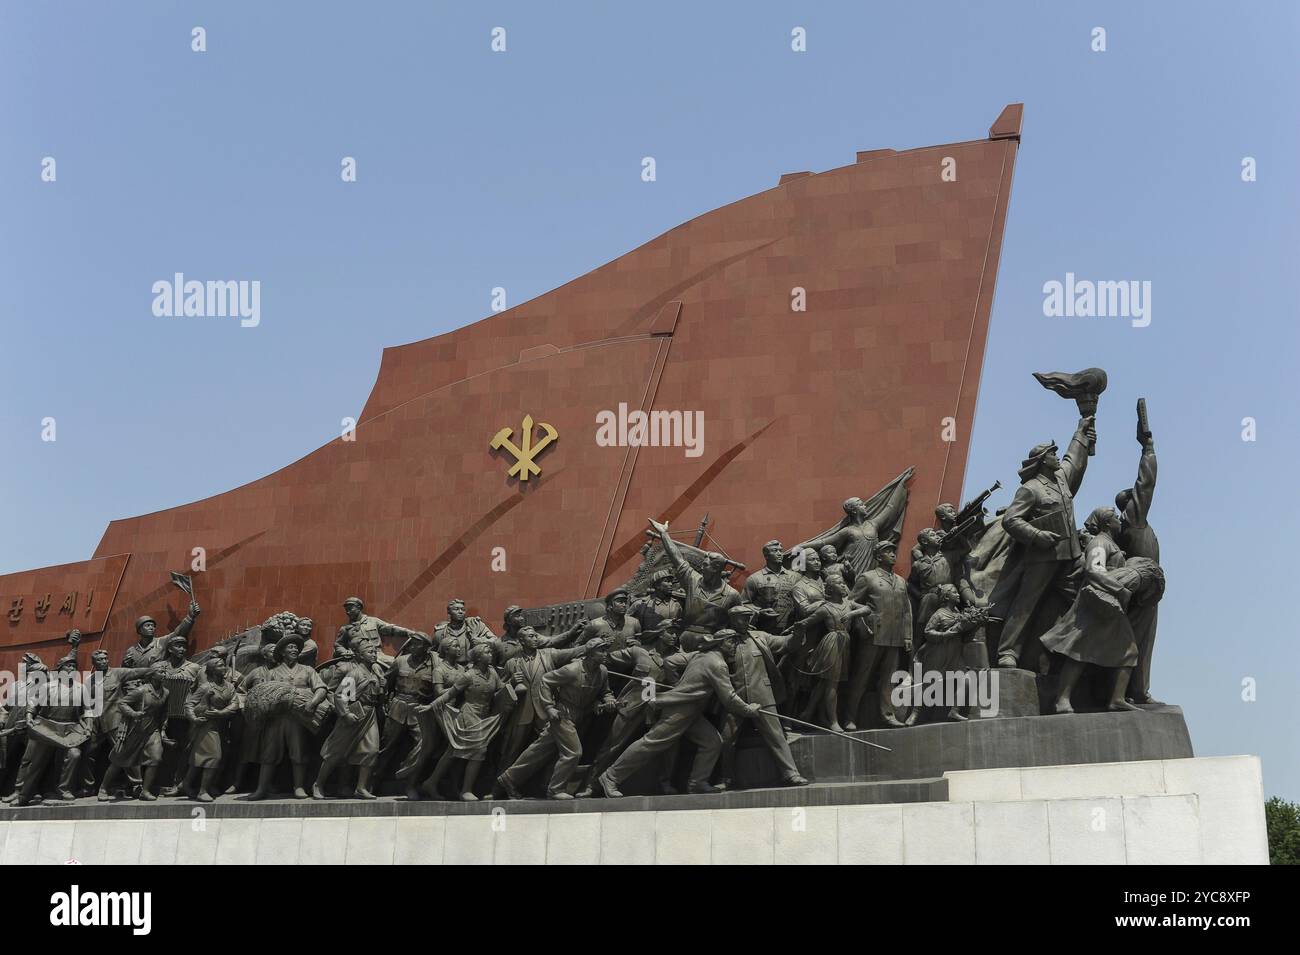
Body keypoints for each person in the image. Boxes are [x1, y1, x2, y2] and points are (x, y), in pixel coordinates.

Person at [597, 630, 761, 798]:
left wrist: (678, 686)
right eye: (731, 641)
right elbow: (729, 698)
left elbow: (670, 662)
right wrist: (749, 710)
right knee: (650, 744)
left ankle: (697, 783)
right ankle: (611, 777)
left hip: (692, 712)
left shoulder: (699, 655)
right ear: (720, 643)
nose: (735, 645)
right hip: (679, 711)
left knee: (712, 742)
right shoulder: (718, 664)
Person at [990, 416, 1096, 668]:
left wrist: (1080, 432)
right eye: (1052, 454)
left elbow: (1073, 459)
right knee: (1026, 604)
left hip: (1069, 555)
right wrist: (1037, 536)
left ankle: (1077, 651)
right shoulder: (1030, 489)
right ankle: (1007, 652)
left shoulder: (1060, 480)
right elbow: (1011, 520)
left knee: (1080, 599)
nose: (1057, 457)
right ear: (1042, 460)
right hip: (1042, 556)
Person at [1041, 557, 1165, 714]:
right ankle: (1111, 700)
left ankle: (1069, 699)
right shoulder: (1136, 576)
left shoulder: (1132, 574)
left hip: (1103, 611)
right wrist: (1122, 594)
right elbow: (1105, 582)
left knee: (1082, 653)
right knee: (1124, 652)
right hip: (1104, 612)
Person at [497, 640, 617, 800]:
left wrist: (608, 700)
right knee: (573, 753)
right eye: (601, 651)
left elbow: (605, 692)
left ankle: (508, 779)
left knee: (538, 751)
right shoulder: (572, 669)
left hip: (579, 716)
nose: (605, 654)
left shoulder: (602, 672)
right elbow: (546, 681)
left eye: (605, 650)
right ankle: (555, 790)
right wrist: (549, 707)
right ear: (589, 653)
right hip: (562, 715)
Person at [717, 604, 809, 788]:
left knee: (776, 736)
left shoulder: (761, 637)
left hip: (763, 696)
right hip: (736, 699)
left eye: (747, 617)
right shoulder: (724, 640)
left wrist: (798, 634)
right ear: (733, 620)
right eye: (741, 618)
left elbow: (786, 644)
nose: (745, 621)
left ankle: (791, 774)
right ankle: (724, 778)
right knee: (726, 740)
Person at [247, 632, 328, 801]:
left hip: (298, 718)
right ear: (282, 652)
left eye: (296, 648)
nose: (294, 650)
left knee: (298, 751)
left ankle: (298, 787)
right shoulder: (273, 672)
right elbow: (262, 693)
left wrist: (312, 703)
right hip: (276, 718)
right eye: (290, 647)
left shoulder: (307, 670)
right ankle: (261, 788)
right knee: (268, 753)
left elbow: (321, 689)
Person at [419, 643, 505, 800]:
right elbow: (449, 694)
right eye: (487, 652)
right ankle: (466, 790)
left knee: (454, 751)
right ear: (478, 657)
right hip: (468, 715)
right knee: (479, 751)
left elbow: (501, 690)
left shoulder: (492, 673)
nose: (491, 654)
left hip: (484, 716)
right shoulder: (468, 675)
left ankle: (431, 782)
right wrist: (431, 706)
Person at [496, 627, 589, 771]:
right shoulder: (512, 663)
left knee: (552, 748)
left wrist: (588, 646)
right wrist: (511, 682)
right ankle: (500, 783)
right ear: (522, 641)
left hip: (545, 710)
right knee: (512, 750)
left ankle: (544, 783)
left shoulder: (548, 654)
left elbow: (571, 653)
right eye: (531, 637)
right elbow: (499, 689)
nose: (535, 639)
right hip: (522, 713)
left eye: (535, 636)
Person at [1116, 412, 1161, 703]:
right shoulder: (1133, 518)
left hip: (1147, 589)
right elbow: (1146, 484)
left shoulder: (1132, 523)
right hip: (1142, 590)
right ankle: (1134, 692)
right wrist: (1148, 449)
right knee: (1137, 642)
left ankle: (1136, 690)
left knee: (1142, 643)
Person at [791, 579, 875, 732]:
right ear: (830, 588)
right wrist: (795, 633)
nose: (843, 585)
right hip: (831, 643)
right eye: (839, 583)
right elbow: (806, 622)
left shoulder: (849, 604)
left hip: (844, 643)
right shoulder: (826, 608)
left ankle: (807, 713)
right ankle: (833, 721)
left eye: (843, 582)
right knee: (832, 683)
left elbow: (867, 609)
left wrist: (851, 614)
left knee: (825, 682)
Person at [845, 540, 913, 729]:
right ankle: (850, 717)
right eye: (887, 551)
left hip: (894, 636)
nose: (892, 554)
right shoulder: (867, 578)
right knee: (861, 677)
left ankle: (887, 715)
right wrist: (868, 612)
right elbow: (850, 602)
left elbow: (907, 611)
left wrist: (907, 636)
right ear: (878, 556)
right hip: (873, 635)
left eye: (893, 551)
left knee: (888, 679)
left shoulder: (901, 581)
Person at [12, 648, 91, 806]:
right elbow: (34, 703)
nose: (71, 669)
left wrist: (89, 726)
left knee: (74, 755)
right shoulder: (47, 686)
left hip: (69, 729)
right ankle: (24, 795)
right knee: (37, 762)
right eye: (67, 666)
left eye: (73, 666)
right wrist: (29, 716)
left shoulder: (81, 688)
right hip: (47, 727)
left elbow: (87, 710)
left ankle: (64, 790)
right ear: (60, 670)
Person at [647, 518, 740, 649]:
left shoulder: (732, 595)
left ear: (717, 569)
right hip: (685, 637)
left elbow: (738, 621)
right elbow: (677, 558)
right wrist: (664, 534)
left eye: (706, 566)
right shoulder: (693, 579)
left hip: (712, 643)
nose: (701, 568)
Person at [314, 640, 384, 799]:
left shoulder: (375, 672)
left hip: (370, 714)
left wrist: (382, 683)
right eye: (369, 652)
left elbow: (379, 697)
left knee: (371, 750)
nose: (373, 654)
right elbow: (340, 695)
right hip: (354, 714)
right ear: (359, 655)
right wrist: (345, 714)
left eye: (374, 652)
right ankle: (318, 783)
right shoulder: (355, 673)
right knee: (335, 752)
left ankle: (360, 788)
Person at [375, 631, 443, 791]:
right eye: (412, 643)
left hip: (419, 709)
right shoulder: (400, 662)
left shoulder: (434, 665)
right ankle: (373, 781)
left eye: (418, 644)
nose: (413, 646)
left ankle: (411, 784)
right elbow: (387, 684)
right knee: (386, 747)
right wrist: (384, 705)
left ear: (427, 648)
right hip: (398, 708)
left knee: (423, 746)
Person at [99, 667, 171, 801]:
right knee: (119, 759)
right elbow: (122, 703)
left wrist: (163, 729)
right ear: (152, 675)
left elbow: (165, 713)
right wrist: (134, 713)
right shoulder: (141, 690)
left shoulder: (165, 692)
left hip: (152, 730)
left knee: (155, 758)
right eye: (160, 671)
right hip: (135, 730)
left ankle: (145, 790)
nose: (164, 673)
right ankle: (103, 787)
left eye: (164, 671)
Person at [180, 655, 240, 802]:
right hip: (207, 728)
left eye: (224, 665)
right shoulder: (205, 687)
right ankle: (202, 791)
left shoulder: (229, 686)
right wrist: (194, 718)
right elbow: (189, 704)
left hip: (222, 727)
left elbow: (235, 704)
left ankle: (186, 784)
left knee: (201, 759)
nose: (224, 668)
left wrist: (221, 713)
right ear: (212, 670)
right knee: (214, 757)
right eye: (220, 665)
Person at [122, 598, 200, 668]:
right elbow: (125, 672)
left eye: (152, 626)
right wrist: (124, 664)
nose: (151, 628)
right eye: (147, 625)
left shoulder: (161, 642)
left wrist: (190, 617)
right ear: (139, 630)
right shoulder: (131, 651)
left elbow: (178, 632)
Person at [741, 540, 800, 629]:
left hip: (792, 628)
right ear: (766, 555)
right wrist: (759, 612)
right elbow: (743, 603)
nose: (779, 553)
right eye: (775, 551)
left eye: (780, 550)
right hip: (765, 629)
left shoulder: (796, 577)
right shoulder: (755, 579)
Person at [431, 598, 497, 667]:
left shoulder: (475, 625)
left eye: (463, 609)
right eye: (456, 609)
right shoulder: (440, 633)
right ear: (449, 612)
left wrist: (480, 640)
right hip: (450, 669)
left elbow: (495, 641)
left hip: (472, 668)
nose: (460, 612)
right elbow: (434, 654)